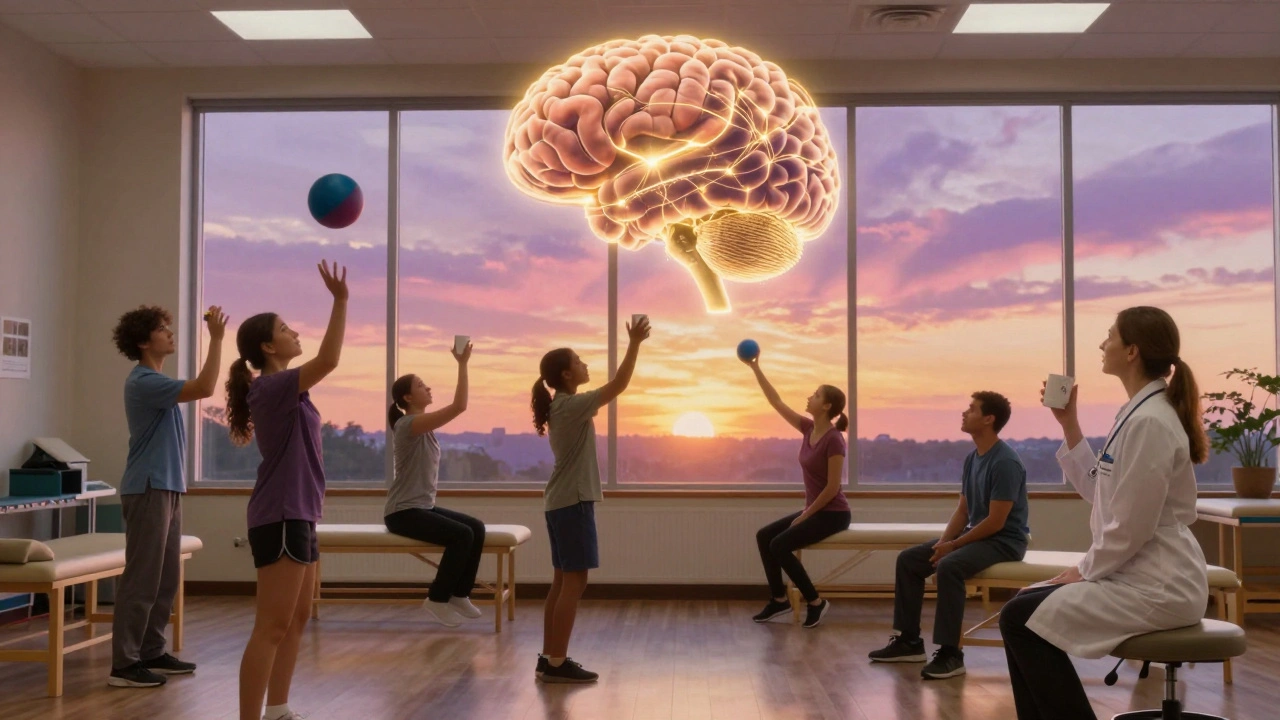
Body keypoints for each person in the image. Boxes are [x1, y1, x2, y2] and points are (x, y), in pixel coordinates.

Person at [1000, 306, 1210, 720]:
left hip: (1159, 586)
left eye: (1110, 335)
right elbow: (1104, 493)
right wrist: (1069, 424)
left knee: (1021, 617)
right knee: (1023, 607)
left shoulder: (1150, 421)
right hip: (1140, 574)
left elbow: (1132, 526)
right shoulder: (1137, 414)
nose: (1102, 343)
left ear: (1132, 351)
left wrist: (1083, 569)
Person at [227, 261, 347, 720]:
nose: (295, 333)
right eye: (286, 329)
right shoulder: (273, 386)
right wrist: (340, 301)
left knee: (296, 620)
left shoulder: (288, 391)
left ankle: (278, 709)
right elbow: (330, 359)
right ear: (266, 346)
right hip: (280, 514)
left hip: (301, 513)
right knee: (271, 626)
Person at [868, 391, 1030, 679]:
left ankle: (951, 653)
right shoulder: (973, 459)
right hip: (977, 535)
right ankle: (909, 641)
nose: (964, 413)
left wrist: (952, 548)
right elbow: (963, 511)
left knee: (950, 566)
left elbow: (995, 522)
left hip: (1005, 541)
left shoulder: (1005, 462)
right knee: (910, 560)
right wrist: (943, 543)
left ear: (989, 419)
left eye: (972, 409)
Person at [107, 304, 226, 688]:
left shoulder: (157, 381)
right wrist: (218, 339)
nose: (170, 334)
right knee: (142, 579)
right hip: (147, 486)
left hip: (168, 486)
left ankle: (152, 650)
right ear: (144, 341)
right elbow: (205, 388)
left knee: (166, 577)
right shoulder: (143, 381)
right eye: (162, 329)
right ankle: (124, 665)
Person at [530, 316, 649, 683]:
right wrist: (634, 344)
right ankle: (556, 662)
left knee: (561, 582)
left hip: (559, 502)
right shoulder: (569, 406)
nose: (585, 365)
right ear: (566, 375)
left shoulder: (562, 407)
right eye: (579, 361)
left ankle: (550, 657)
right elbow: (619, 384)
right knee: (575, 583)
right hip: (572, 503)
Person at [742, 353, 852, 630]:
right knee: (764, 535)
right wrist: (756, 368)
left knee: (779, 545)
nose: (809, 397)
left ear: (826, 405)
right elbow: (775, 401)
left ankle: (815, 602)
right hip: (816, 510)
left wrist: (806, 515)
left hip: (833, 514)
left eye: (815, 395)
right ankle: (779, 599)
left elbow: (832, 487)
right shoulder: (808, 429)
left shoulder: (835, 441)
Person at [384, 342, 486, 627]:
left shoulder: (422, 427)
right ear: (407, 397)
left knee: (476, 527)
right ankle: (437, 598)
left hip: (420, 508)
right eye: (421, 385)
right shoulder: (408, 425)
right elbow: (459, 406)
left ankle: (459, 594)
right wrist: (463, 364)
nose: (428, 388)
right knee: (462, 535)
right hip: (402, 513)